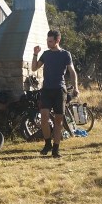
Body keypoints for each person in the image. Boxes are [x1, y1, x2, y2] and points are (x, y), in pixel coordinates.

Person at [32, 29, 79, 158]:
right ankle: (48, 144)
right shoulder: (46, 54)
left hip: (59, 90)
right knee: (44, 118)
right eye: (47, 41)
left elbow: (72, 72)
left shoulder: (65, 54)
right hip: (46, 90)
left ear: (58, 40)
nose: (48, 43)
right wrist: (35, 54)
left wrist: (76, 87)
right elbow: (34, 68)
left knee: (59, 121)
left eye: (50, 41)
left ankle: (56, 149)